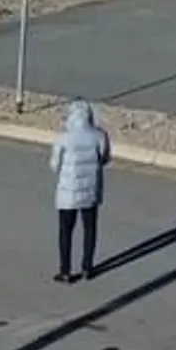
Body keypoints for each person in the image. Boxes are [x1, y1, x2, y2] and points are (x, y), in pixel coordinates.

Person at [49, 99, 112, 282]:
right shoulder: (100, 135)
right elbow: (105, 158)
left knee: (65, 231)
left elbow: (55, 164)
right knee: (90, 228)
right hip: (90, 190)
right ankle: (87, 267)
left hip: (67, 193)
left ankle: (65, 270)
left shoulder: (63, 137)